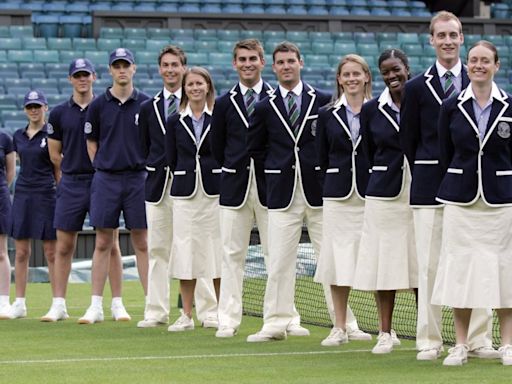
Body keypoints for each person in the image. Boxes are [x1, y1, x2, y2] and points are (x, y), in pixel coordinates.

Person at [246, 41, 367, 342]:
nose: (286, 66)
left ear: (301, 62)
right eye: (281, 62)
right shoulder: (263, 107)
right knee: (278, 260)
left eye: (291, 61)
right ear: (273, 68)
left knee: (331, 259)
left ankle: (345, 324)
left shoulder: (323, 101)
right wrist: (276, 173)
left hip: (320, 192)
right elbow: (257, 150)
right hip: (281, 192)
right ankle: (275, 322)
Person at [401, 10, 497, 360]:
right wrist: (430, 172)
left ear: (461, 38)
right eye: (441, 35)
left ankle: (477, 340)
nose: (447, 41)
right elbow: (409, 142)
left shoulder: (480, 83)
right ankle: (429, 339)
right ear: (431, 40)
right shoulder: (414, 88)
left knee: (478, 263)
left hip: (476, 193)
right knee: (428, 266)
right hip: (428, 189)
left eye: (453, 35)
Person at [432, 40, 512, 366]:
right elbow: (443, 153)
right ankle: (460, 345)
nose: (478, 65)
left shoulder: (510, 105)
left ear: (496, 66)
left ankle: (508, 344)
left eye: (485, 60)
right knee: (459, 272)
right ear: (467, 65)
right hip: (461, 202)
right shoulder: (451, 106)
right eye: (473, 60)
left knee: (505, 272)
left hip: (502, 202)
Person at [41, 58, 129, 322]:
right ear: (70, 79)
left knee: (110, 242)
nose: (82, 79)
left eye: (86, 75)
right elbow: (55, 154)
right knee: (64, 245)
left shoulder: (104, 106)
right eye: (77, 75)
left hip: (103, 180)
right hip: (71, 182)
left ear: (94, 77)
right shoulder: (57, 113)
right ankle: (58, 304)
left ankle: (116, 303)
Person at [138, 46, 218, 329]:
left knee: (200, 247)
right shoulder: (147, 107)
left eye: (175, 65)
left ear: (183, 68)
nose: (170, 69)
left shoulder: (207, 109)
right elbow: (144, 147)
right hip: (160, 186)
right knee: (158, 249)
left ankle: (208, 311)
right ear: (160, 69)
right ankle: (156, 311)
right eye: (165, 65)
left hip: (196, 187)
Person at [353, 49, 417, 354]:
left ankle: (426, 331)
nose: (392, 76)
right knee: (384, 265)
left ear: (407, 68)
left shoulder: (423, 101)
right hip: (383, 196)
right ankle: (385, 332)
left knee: (419, 263)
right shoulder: (370, 110)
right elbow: (366, 154)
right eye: (385, 72)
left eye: (396, 70)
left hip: (419, 192)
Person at [79, 48, 150, 324]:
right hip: (106, 178)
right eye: (116, 66)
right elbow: (91, 143)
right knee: (103, 241)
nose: (122, 70)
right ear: (110, 70)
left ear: (134, 68)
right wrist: (105, 166)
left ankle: (151, 305)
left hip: (137, 178)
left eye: (126, 65)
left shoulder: (145, 103)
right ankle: (96, 305)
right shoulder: (98, 105)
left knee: (142, 241)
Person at [210, 39, 273, 338]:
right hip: (235, 186)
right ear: (234, 64)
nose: (248, 63)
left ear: (262, 61)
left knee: (277, 254)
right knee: (232, 254)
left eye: (253, 58)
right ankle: (228, 319)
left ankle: (284, 317)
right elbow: (217, 148)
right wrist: (237, 168)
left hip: (271, 187)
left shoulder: (275, 98)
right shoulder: (222, 103)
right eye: (242, 59)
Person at [314, 54, 373, 346]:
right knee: (337, 262)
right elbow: (322, 157)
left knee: (375, 260)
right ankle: (339, 326)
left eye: (356, 74)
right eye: (346, 74)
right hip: (337, 196)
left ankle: (387, 328)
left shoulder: (377, 110)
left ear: (366, 77)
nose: (351, 79)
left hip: (370, 195)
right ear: (339, 79)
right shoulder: (327, 114)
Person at [165, 67, 221, 332]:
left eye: (200, 83)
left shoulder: (219, 117)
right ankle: (186, 315)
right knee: (185, 252)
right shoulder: (174, 122)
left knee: (215, 252)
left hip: (214, 193)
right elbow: (171, 158)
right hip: (185, 195)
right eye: (190, 84)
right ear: (184, 89)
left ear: (208, 86)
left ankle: (221, 313)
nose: (195, 88)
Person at [6, 90, 57, 319]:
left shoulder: (52, 134)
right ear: (25, 110)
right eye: (30, 107)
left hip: (47, 192)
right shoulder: (17, 136)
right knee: (22, 251)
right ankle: (20, 302)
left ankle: (58, 302)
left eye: (38, 106)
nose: (34, 110)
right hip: (24, 193)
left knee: (51, 251)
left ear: (45, 107)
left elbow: (58, 168)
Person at [0, 131, 15, 319]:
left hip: (0, 196)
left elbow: (10, 174)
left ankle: (3, 300)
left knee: (1, 252)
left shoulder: (5, 138)